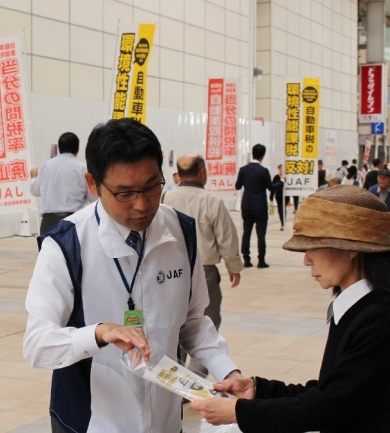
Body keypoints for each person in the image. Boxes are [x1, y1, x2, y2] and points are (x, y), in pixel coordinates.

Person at [23, 118, 240, 433]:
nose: (142, 204)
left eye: (152, 187)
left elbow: (193, 323)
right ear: (92, 184)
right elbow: (37, 344)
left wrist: (228, 372)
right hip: (91, 423)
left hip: (166, 421)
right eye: (124, 193)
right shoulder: (67, 245)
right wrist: (98, 333)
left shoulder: (181, 232)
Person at [191, 185, 390, 432]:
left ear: (352, 248)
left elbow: (329, 407)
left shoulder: (384, 322)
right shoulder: (357, 307)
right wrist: (258, 390)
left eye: (314, 247)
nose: (306, 260)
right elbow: (332, 389)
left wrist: (239, 412)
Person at [162, 153, 243, 352]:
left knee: (175, 323)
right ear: (202, 172)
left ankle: (178, 372)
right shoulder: (211, 200)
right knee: (207, 322)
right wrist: (233, 266)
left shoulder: (166, 197)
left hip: (170, 270)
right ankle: (197, 373)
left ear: (178, 174)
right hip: (205, 270)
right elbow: (226, 236)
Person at [30, 132, 96, 234]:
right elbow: (93, 198)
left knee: (49, 250)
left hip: (48, 222)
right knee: (74, 250)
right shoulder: (82, 168)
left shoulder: (46, 166)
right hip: (74, 221)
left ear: (60, 148)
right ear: (77, 149)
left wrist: (33, 177)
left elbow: (35, 191)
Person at [235, 144, 281, 268]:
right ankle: (261, 260)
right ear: (263, 156)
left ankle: (246, 259)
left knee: (246, 232)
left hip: (247, 206)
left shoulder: (243, 169)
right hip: (260, 206)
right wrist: (281, 182)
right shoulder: (264, 171)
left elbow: (238, 186)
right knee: (261, 235)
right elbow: (271, 188)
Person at [270, 164, 287, 230]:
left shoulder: (286, 177)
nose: (281, 170)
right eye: (279, 169)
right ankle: (282, 223)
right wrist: (271, 197)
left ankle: (283, 224)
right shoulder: (276, 177)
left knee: (283, 209)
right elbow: (273, 188)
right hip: (278, 196)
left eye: (282, 168)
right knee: (280, 209)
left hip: (285, 196)